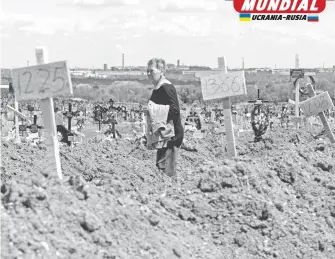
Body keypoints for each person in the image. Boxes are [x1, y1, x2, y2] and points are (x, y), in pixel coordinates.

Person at [147, 58, 184, 177]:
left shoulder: (166, 87)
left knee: (167, 171)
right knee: (161, 167)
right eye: (147, 71)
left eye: (151, 71)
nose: (148, 74)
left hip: (171, 135)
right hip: (163, 134)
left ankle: (172, 193)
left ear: (161, 71)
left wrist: (156, 112)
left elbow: (175, 110)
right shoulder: (158, 87)